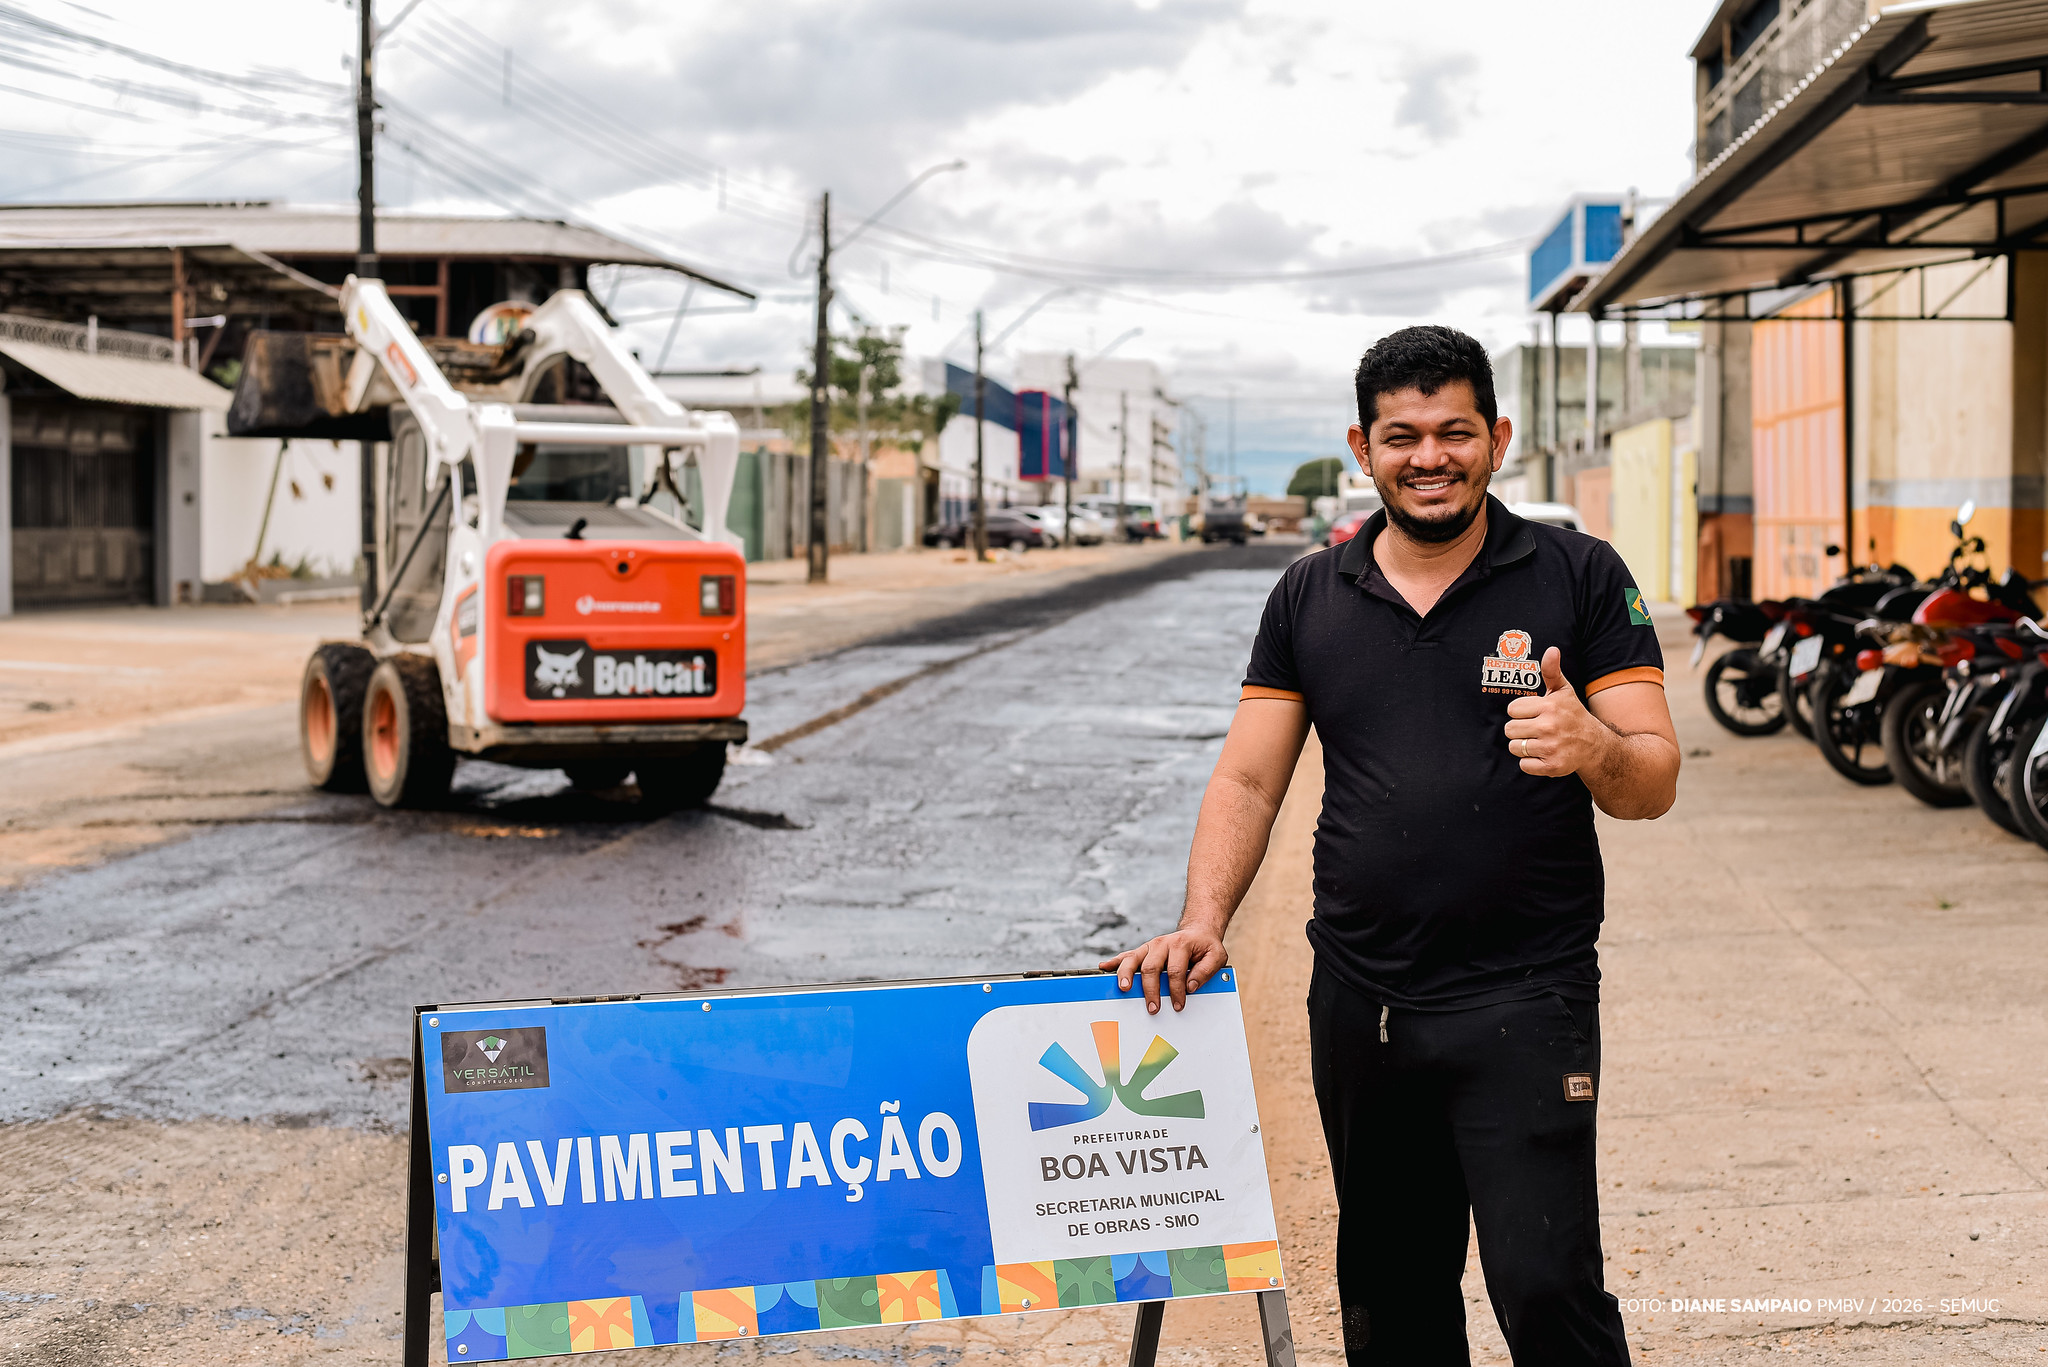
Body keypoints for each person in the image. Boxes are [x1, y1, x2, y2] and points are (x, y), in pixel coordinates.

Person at [1101, 325, 1679, 1366]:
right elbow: (1248, 778)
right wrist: (1203, 918)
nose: (1429, 456)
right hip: (1361, 1002)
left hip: (1526, 995)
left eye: (1454, 431)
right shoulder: (1309, 595)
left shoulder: (1578, 574)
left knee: (1546, 1286)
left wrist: (1593, 746)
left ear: (1497, 437)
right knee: (1391, 1296)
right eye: (1402, 436)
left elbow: (1653, 778)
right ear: (1361, 448)